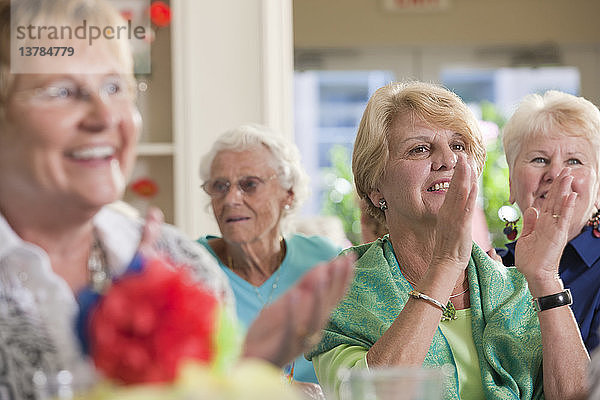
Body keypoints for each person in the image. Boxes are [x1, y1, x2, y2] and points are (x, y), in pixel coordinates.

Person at [0, 1, 353, 398]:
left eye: (115, 87)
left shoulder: (182, 264)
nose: (104, 116)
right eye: (62, 91)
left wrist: (244, 371)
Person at [306, 81, 589, 400]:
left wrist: (546, 279)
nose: (447, 161)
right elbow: (363, 396)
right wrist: (445, 264)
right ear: (375, 187)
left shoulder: (516, 289)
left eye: (458, 146)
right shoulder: (340, 288)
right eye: (419, 149)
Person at [197, 124, 342, 384]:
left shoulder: (325, 260)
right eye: (220, 186)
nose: (231, 199)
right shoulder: (190, 266)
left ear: (288, 193)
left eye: (249, 184)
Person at [492, 90, 600, 353]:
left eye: (574, 160)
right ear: (511, 184)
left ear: (598, 189)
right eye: (539, 159)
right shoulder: (492, 270)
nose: (555, 174)